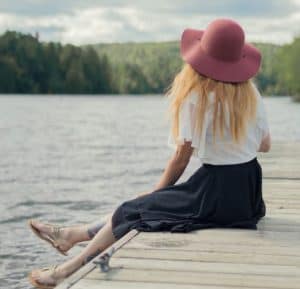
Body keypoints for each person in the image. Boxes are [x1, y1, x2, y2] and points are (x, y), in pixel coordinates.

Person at [28, 18, 271, 288]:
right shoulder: (252, 96)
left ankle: (67, 269)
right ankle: (71, 235)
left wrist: (156, 193)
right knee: (140, 207)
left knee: (134, 209)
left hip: (214, 193)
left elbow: (181, 158)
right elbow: (265, 145)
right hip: (248, 196)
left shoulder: (197, 98)